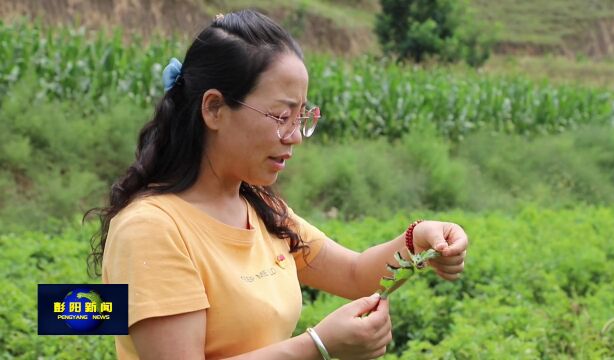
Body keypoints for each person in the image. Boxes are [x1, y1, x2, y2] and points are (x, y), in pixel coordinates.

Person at [89, 9, 468, 360]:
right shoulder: (152, 229)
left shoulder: (260, 209)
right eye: (281, 115)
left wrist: (419, 239)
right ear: (214, 108)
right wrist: (316, 346)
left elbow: (354, 274)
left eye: (301, 116)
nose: (295, 136)